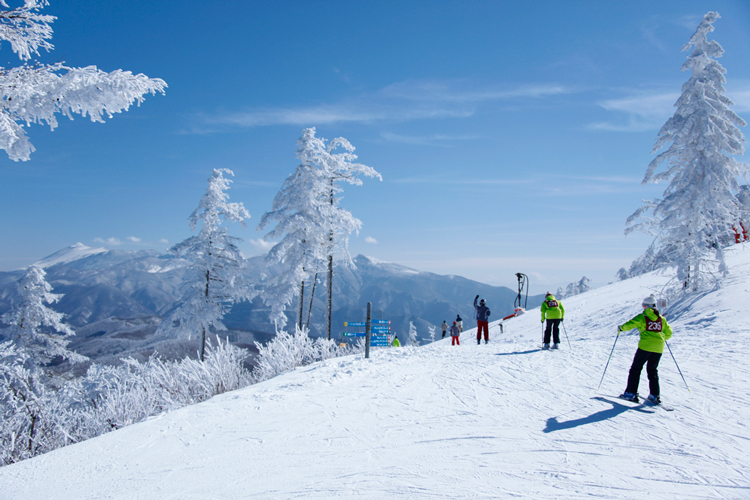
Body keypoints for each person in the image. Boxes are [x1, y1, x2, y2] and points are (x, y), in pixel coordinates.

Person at [618, 295, 672, 404]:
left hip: (645, 346)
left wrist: (621, 328)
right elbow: (669, 333)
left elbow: (630, 324)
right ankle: (654, 395)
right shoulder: (661, 319)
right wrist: (660, 339)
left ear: (646, 306)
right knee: (652, 370)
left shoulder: (642, 317)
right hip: (659, 348)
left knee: (636, 369)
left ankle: (630, 393)